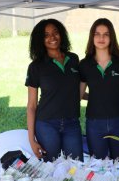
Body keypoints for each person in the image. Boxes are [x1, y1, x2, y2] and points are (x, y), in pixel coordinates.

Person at [25, 19, 83, 162]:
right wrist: (32, 140)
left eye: (55, 32)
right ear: (40, 40)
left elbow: (75, 90)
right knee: (50, 169)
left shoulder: (73, 59)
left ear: (61, 34)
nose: (52, 37)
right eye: (46, 35)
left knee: (77, 168)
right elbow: (31, 106)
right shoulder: (36, 66)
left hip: (72, 123)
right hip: (46, 125)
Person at [79, 18, 119, 161]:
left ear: (111, 37)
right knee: (97, 164)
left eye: (106, 34)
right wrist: (95, 95)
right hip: (95, 122)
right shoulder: (85, 64)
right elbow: (79, 94)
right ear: (91, 37)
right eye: (97, 34)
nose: (101, 38)